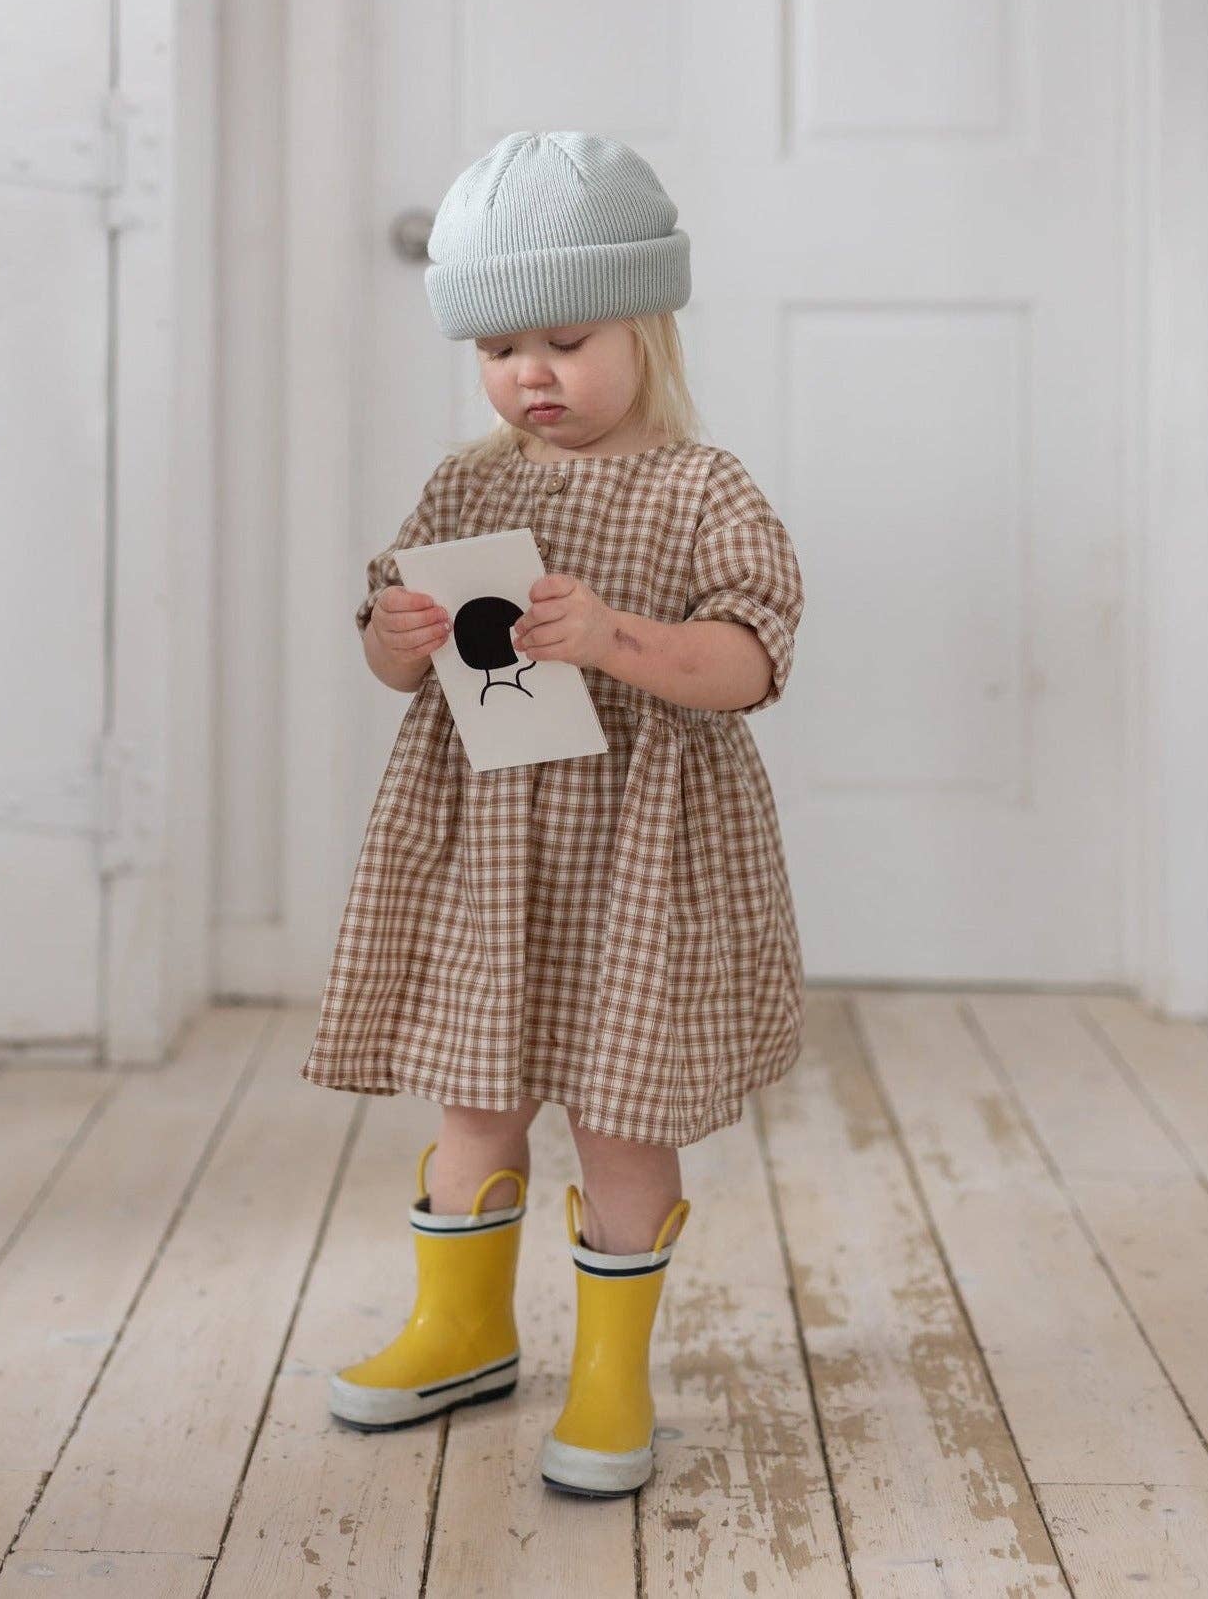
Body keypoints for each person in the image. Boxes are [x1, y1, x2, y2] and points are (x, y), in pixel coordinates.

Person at [300, 130, 806, 1499]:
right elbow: (386, 653)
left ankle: (607, 1370)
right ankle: (460, 1327)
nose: (529, 373)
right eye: (496, 347)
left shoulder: (703, 488)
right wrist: (400, 637)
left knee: (622, 1113)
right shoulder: (469, 483)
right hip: (488, 852)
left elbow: (748, 659)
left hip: (640, 853)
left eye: (566, 338)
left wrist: (616, 636)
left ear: (645, 323)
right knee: (476, 1095)